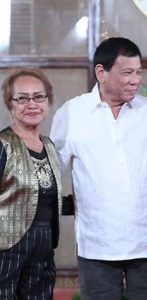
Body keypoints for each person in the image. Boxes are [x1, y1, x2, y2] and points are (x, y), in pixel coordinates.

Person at [50, 37, 147, 300]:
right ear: (101, 72)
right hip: (96, 246)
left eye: (138, 72)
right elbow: (51, 173)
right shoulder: (72, 113)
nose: (135, 80)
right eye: (127, 73)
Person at [0, 68, 62, 299]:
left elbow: (45, 196)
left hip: (44, 242)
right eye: (22, 98)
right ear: (10, 104)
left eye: (39, 97)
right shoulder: (3, 144)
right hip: (6, 245)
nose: (32, 104)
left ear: (47, 102)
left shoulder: (49, 146)